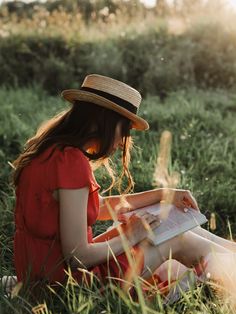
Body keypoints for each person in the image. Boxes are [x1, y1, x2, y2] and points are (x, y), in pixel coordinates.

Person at [12, 74, 236, 294]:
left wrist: (163, 194)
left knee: (173, 218)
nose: (122, 143)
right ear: (106, 122)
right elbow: (78, 257)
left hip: (44, 275)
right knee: (176, 237)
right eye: (125, 131)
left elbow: (96, 208)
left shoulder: (50, 151)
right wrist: (131, 236)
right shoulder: (70, 162)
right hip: (70, 286)